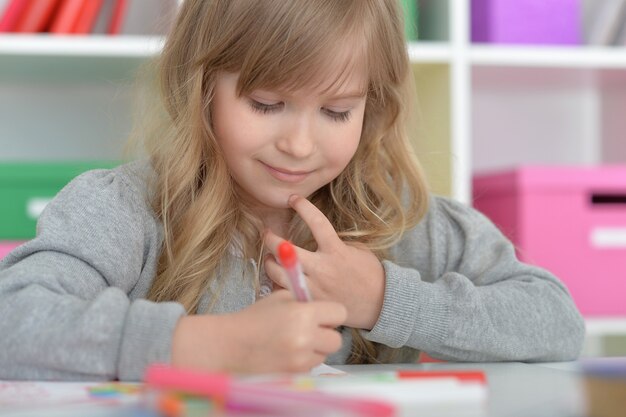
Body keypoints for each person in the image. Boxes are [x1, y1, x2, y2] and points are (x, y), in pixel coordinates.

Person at [0, 0, 584, 382]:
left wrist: (384, 298)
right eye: (267, 105)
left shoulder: (402, 223)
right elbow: (13, 322)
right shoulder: (127, 211)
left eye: (336, 111)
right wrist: (197, 347)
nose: (300, 145)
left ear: (370, 108)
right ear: (201, 88)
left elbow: (555, 323)